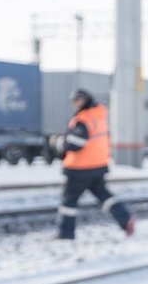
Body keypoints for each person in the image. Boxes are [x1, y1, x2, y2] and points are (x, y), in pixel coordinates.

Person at [53, 88, 135, 240]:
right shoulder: (98, 115)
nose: (75, 104)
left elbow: (76, 143)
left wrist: (59, 143)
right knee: (105, 196)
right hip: (98, 166)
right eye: (74, 101)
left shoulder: (83, 119)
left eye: (78, 100)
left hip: (79, 168)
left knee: (69, 201)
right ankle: (125, 219)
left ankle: (65, 233)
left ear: (85, 100)